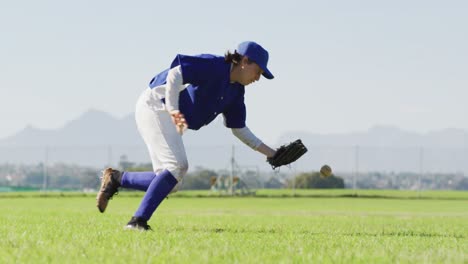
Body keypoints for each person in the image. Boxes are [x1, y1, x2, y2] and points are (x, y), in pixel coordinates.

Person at [96, 41, 277, 230]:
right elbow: (176, 73)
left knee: (171, 183)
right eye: (258, 71)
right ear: (245, 61)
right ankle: (137, 222)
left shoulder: (236, 91)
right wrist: (173, 110)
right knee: (177, 166)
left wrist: (272, 153)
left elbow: (239, 129)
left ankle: (116, 179)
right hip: (156, 105)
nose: (258, 77)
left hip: (167, 114)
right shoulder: (216, 66)